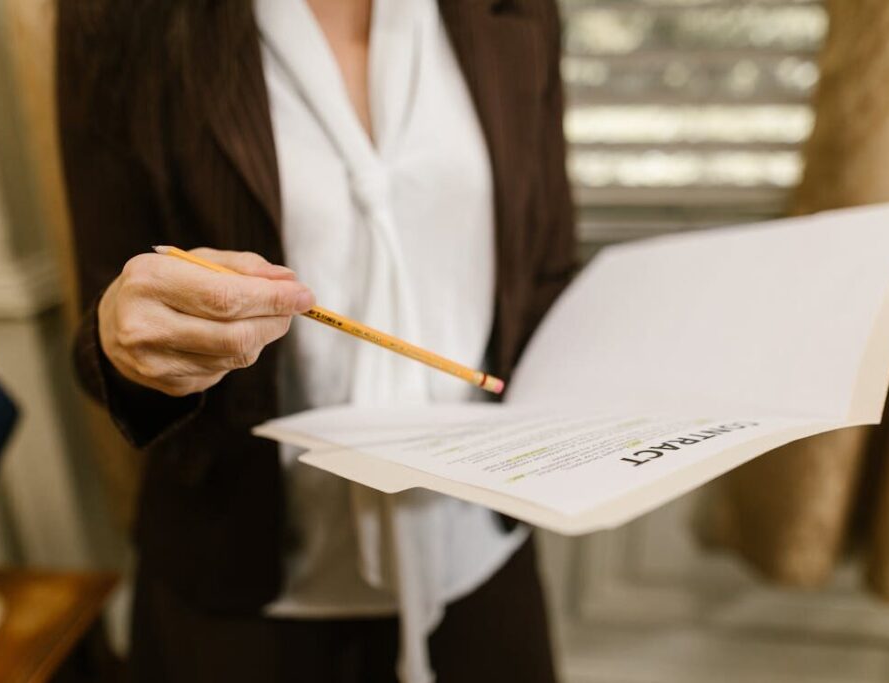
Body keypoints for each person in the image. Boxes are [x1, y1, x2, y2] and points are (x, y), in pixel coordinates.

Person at [57, 0, 575, 680]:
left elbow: (545, 272)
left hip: (480, 548)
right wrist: (132, 352)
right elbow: (106, 333)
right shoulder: (116, 17)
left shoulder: (518, 12)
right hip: (243, 570)